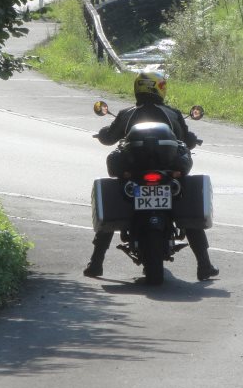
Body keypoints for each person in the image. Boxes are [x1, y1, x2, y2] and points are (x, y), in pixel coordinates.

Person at [83, 71, 220, 281]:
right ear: (160, 88)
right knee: (186, 206)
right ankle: (204, 264)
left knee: (115, 199)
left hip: (134, 171)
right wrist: (192, 140)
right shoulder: (172, 114)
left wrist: (102, 134)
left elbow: (109, 138)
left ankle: (96, 263)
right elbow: (186, 139)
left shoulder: (127, 114)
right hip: (167, 171)